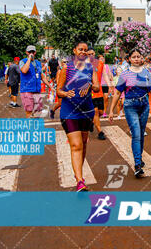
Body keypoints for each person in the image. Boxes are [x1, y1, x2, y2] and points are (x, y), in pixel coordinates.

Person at [110, 48, 151, 178]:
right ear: (129, 59)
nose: (137, 59)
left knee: (141, 134)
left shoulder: (146, 72)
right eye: (134, 57)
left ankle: (139, 158)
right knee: (137, 134)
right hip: (130, 106)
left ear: (141, 58)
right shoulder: (124, 74)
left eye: (139, 56)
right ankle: (137, 165)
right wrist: (111, 110)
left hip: (144, 104)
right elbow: (117, 93)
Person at [56, 42, 100, 192]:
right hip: (69, 112)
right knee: (76, 145)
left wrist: (89, 84)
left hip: (87, 111)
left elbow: (97, 87)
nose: (83, 52)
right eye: (80, 49)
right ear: (74, 50)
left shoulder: (90, 68)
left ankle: (78, 173)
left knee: (84, 143)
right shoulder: (66, 68)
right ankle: (80, 181)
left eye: (85, 50)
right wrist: (65, 93)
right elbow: (58, 90)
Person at [20, 45, 53, 118]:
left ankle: (35, 127)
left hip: (37, 90)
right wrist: (29, 59)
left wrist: (50, 85)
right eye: (29, 52)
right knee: (29, 110)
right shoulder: (22, 62)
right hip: (26, 90)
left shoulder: (38, 63)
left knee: (38, 110)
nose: (31, 53)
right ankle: (29, 128)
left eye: (33, 51)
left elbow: (42, 76)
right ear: (26, 52)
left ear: (35, 52)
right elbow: (24, 70)